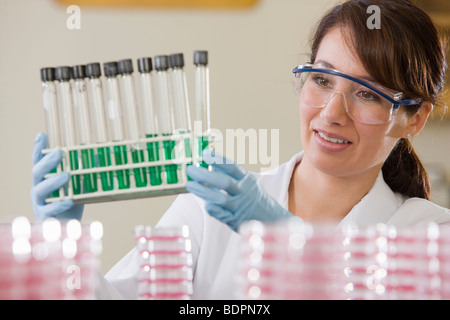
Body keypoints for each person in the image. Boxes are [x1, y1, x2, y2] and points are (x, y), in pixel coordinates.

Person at [31, 0, 450, 299]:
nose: (332, 113)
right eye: (322, 80)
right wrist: (66, 245)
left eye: (367, 94)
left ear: (414, 119)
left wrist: (281, 235)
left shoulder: (429, 235)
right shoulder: (208, 209)